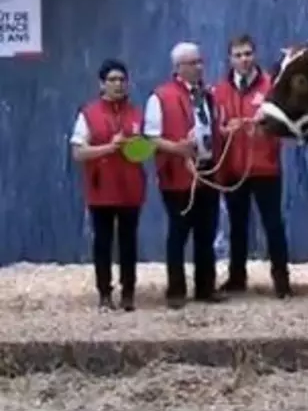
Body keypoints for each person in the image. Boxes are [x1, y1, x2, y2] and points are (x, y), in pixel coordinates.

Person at [143, 41, 227, 309]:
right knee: (179, 233)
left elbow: (214, 127)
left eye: (200, 61)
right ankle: (176, 289)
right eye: (192, 63)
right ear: (178, 67)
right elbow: (150, 138)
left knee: (207, 232)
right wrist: (177, 149)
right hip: (178, 176)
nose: (198, 67)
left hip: (207, 171)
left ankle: (205, 287)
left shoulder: (209, 95)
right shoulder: (160, 97)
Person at [212, 34, 292, 298]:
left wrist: (265, 126)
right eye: (238, 55)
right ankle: (237, 277)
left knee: (273, 225)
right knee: (237, 226)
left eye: (247, 54)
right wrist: (225, 130)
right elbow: (214, 128)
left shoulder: (272, 87)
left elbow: (285, 124)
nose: (244, 59)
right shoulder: (219, 91)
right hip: (235, 169)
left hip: (266, 169)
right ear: (230, 59)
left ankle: (281, 280)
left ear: (255, 55)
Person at [69, 59, 146, 312]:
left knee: (129, 243)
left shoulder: (136, 113)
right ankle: (104, 293)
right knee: (102, 242)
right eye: (112, 80)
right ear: (102, 84)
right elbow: (78, 153)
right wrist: (109, 148)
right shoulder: (89, 114)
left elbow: (144, 152)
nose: (118, 84)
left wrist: (137, 147)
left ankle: (129, 292)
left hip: (130, 190)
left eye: (122, 80)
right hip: (101, 190)